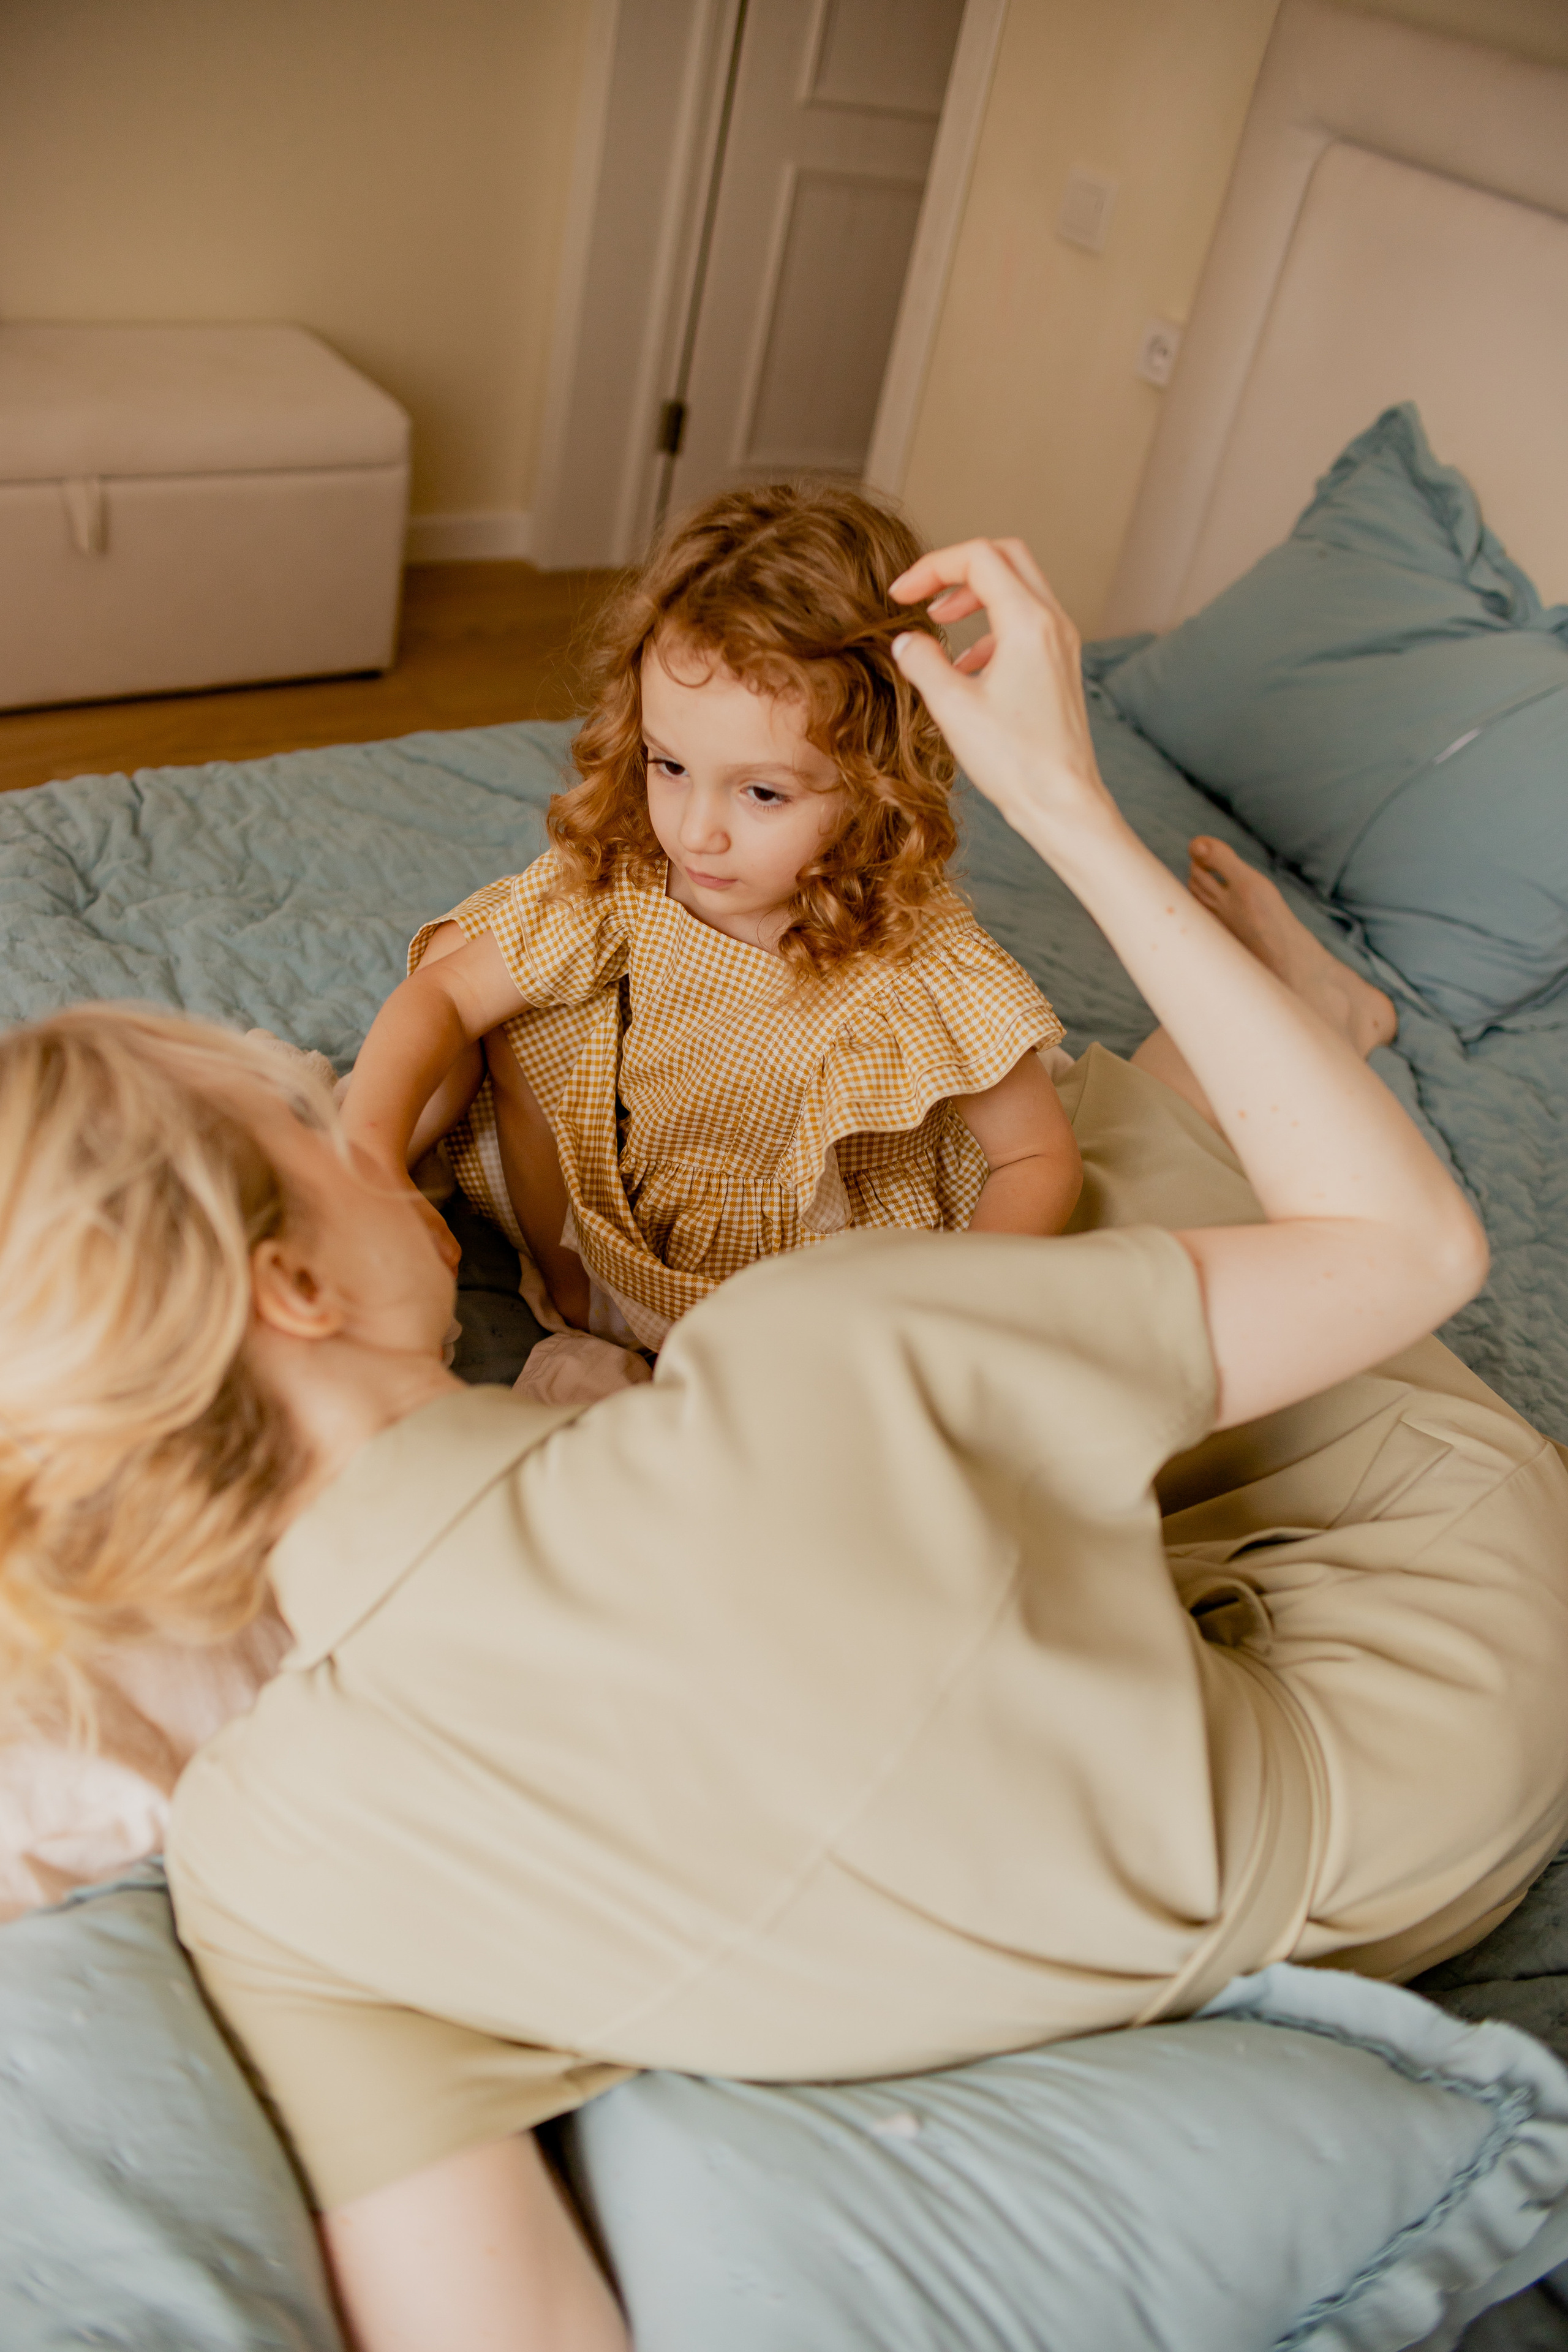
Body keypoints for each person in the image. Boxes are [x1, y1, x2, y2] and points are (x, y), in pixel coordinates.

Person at [1, 539, 1565, 2352]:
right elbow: (1412, 1255)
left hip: (1233, 1869)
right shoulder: (814, 1351)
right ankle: (1314, 1028)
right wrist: (1064, 796)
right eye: (310, 1116)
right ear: (288, 1286)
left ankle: (1294, 1043)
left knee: (1059, 1207)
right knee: (1097, 1180)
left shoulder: (263, 1874)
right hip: (1425, 1679)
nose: (365, 1122)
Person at [339, 484, 1080, 1389]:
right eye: (670, 765)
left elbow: (1038, 1158)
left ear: (877, 779)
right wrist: (368, 1158)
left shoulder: (915, 954)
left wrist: (939, 1316)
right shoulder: (635, 879)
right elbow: (443, 997)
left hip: (801, 1322)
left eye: (761, 792)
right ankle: (365, 1182)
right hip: (614, 1262)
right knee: (475, 963)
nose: (696, 832)